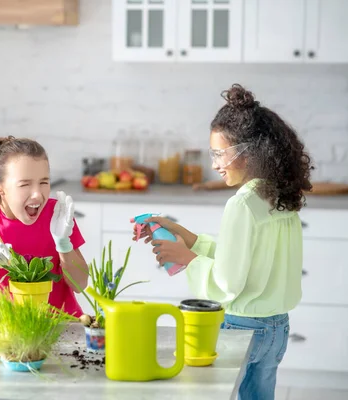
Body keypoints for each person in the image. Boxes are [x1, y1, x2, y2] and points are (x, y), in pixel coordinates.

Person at [135, 84, 313, 400]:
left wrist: (187, 258)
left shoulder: (242, 203)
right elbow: (246, 259)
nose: (215, 164)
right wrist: (183, 235)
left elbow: (228, 282)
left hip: (243, 328)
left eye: (219, 153)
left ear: (248, 153)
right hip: (276, 329)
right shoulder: (278, 196)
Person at [0, 136, 89, 317]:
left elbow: (80, 283)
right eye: (25, 184)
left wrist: (63, 244)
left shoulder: (58, 215)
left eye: (44, 182)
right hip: (1, 328)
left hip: (60, 325)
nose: (37, 194)